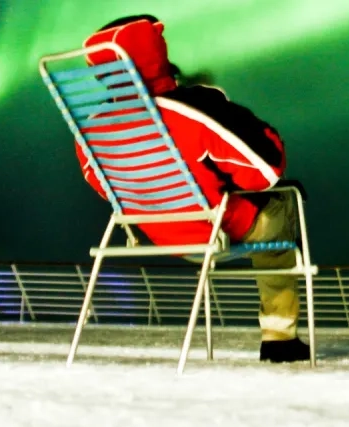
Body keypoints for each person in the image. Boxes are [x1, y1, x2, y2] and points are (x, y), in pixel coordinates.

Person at [73, 15, 311, 363]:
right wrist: (222, 109)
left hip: (161, 236)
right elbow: (266, 169)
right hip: (216, 229)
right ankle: (280, 337)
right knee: (283, 205)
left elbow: (104, 186)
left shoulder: (92, 132)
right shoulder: (193, 111)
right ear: (156, 53)